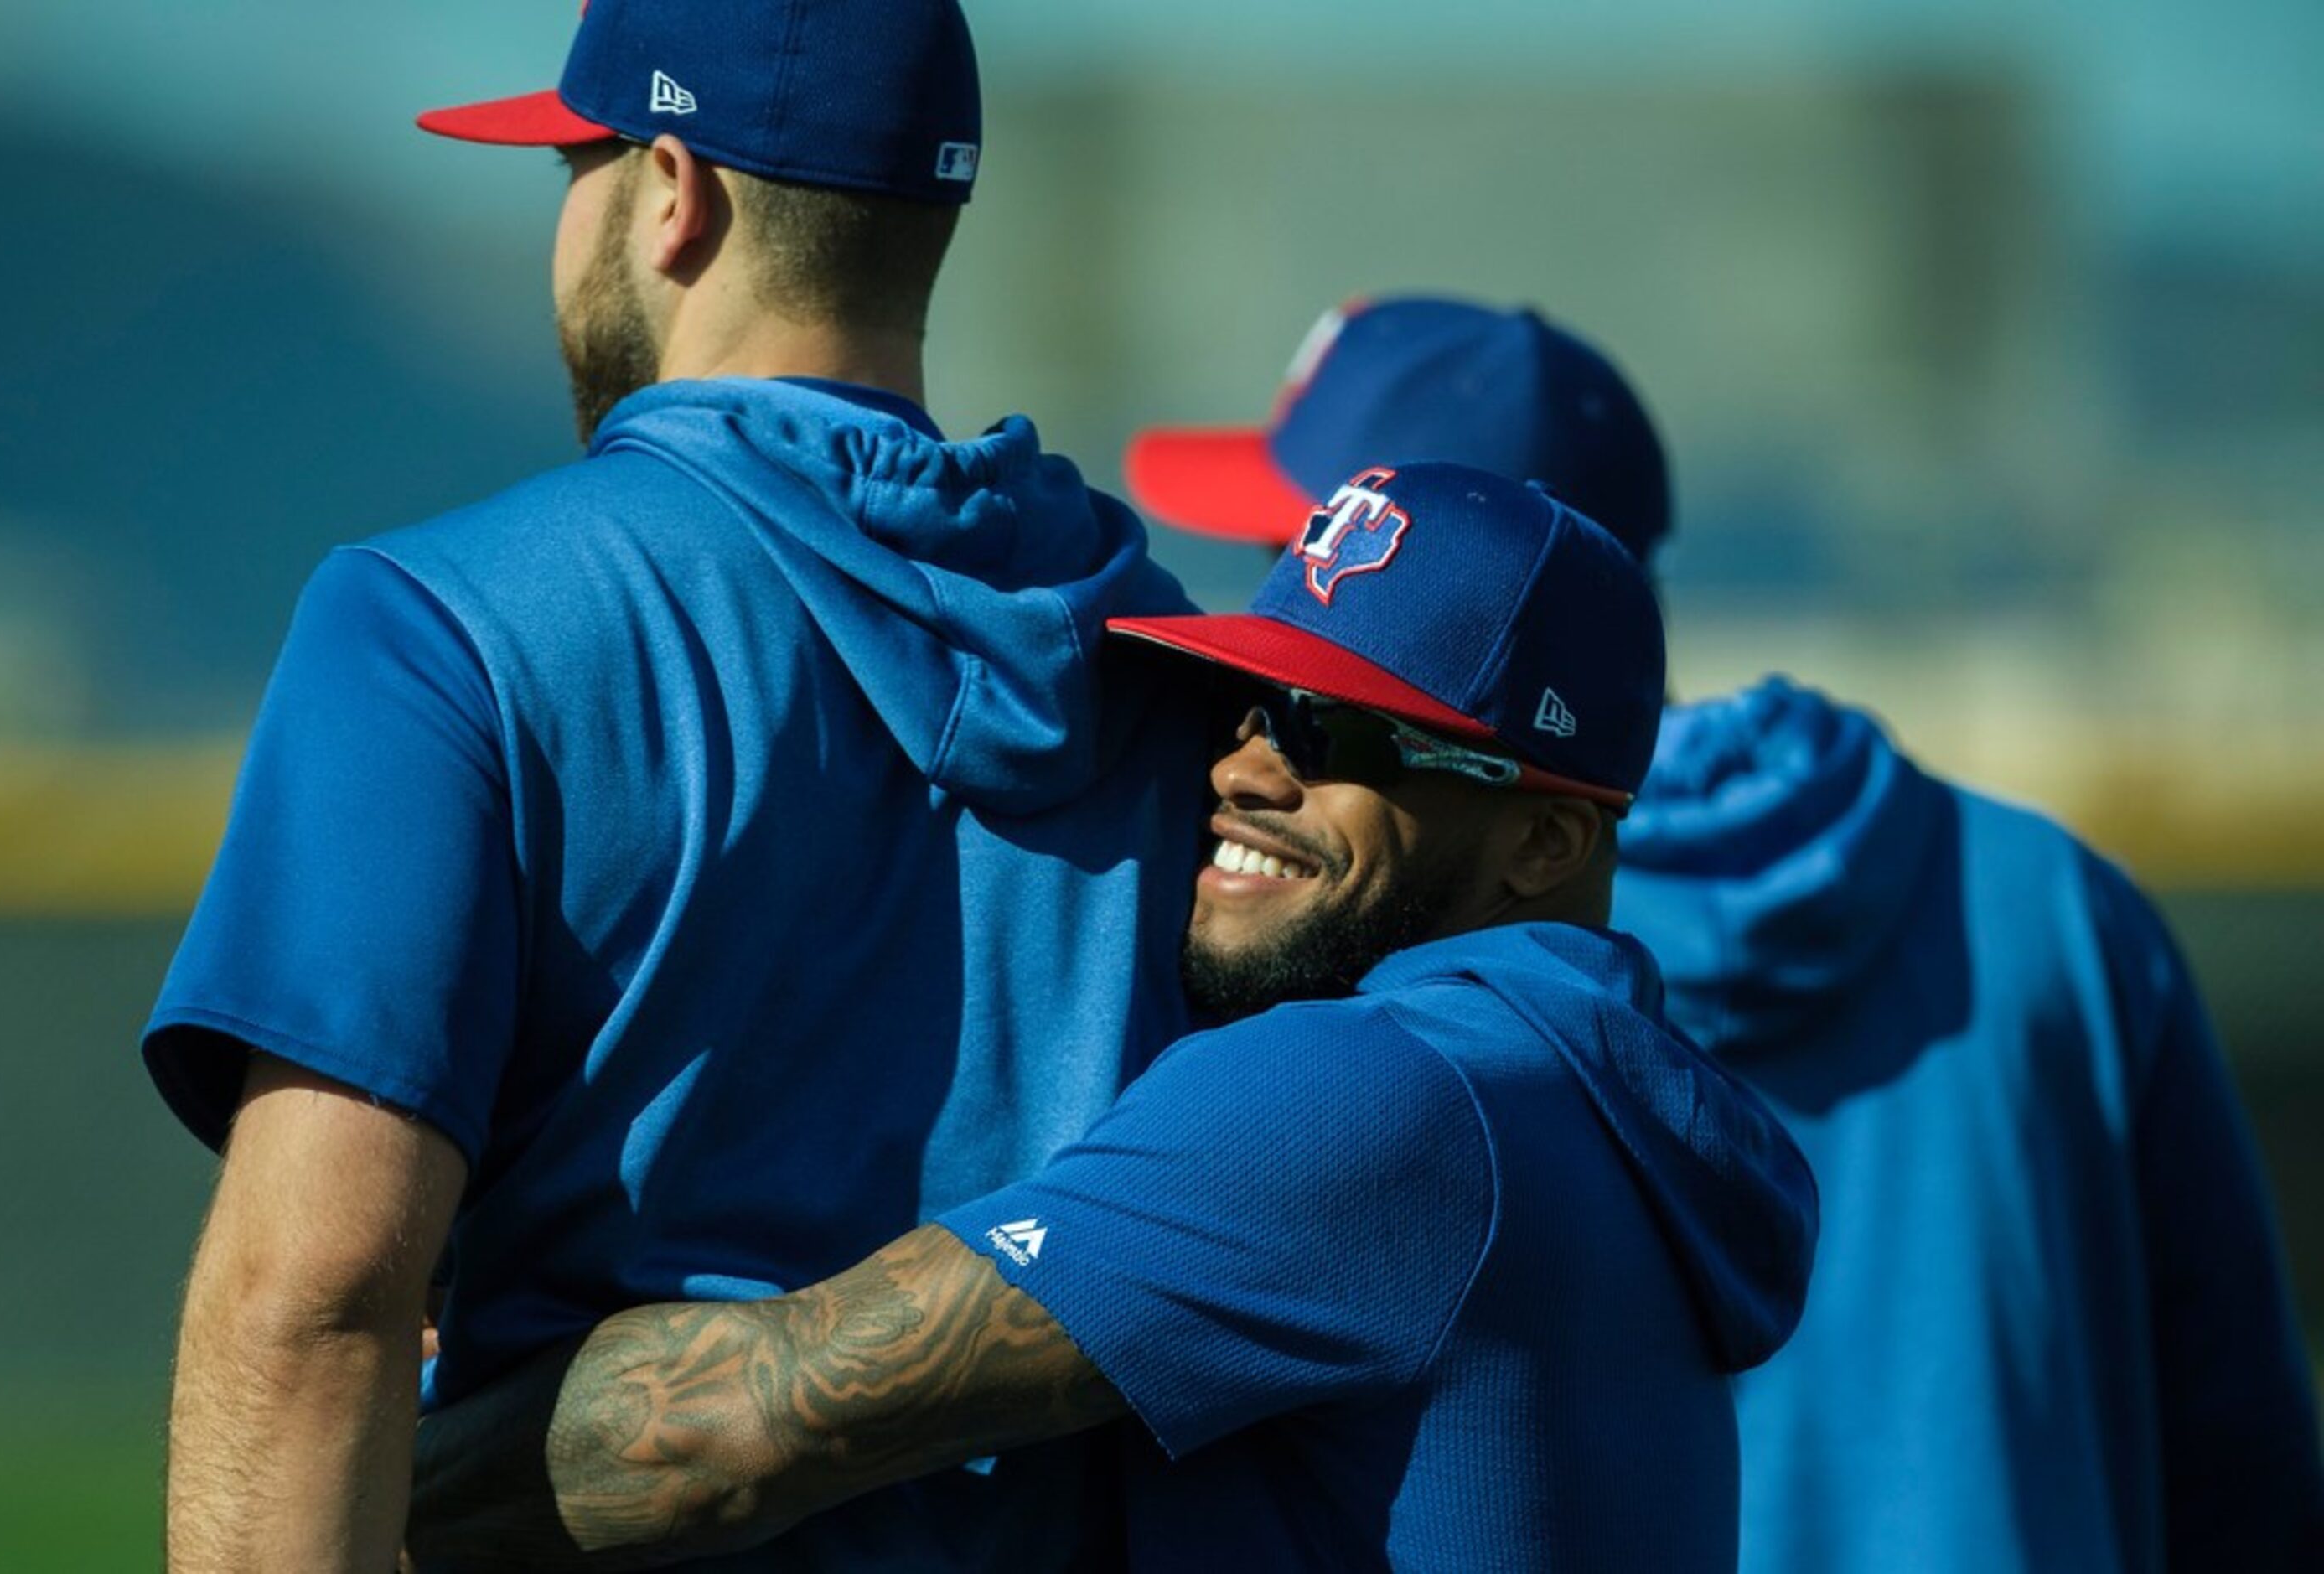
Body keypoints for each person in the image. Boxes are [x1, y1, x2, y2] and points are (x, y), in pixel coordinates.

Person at [142, 3, 1212, 1567]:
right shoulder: (1189, 673)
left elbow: (314, 1301)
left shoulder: (439, 621)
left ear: (670, 192)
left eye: (573, 169)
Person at [401, 461, 1819, 1571]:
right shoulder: (1577, 1087)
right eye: (1250, 701)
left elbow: (728, 1433)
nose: (1248, 769)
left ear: (1543, 843)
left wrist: (336, 1472)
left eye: (1333, 732)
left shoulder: (1378, 1092)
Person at [1125, 293, 2324, 1569]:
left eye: (1322, 554)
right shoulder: (2050, 898)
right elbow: (2243, 1468)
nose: (1280, 612)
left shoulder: (1393, 932)